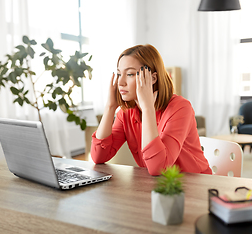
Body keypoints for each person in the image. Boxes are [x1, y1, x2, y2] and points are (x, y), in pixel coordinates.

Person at [91, 44, 212, 176]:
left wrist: (148, 108)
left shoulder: (181, 108)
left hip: (195, 185)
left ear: (152, 78)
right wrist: (110, 106)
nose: (120, 82)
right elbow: (98, 156)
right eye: (119, 74)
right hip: (157, 187)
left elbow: (158, 168)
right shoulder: (126, 113)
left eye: (130, 74)